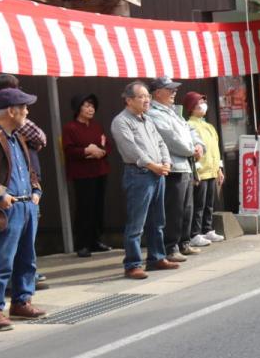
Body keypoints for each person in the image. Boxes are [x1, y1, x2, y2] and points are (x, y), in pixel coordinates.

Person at [110, 81, 177, 280]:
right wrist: (152, 165)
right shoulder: (121, 121)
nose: (147, 99)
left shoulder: (147, 119)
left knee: (158, 220)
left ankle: (157, 257)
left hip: (158, 173)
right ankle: (132, 264)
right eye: (142, 96)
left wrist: (165, 162)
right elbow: (131, 149)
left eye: (148, 96)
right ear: (128, 100)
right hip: (139, 174)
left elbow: (160, 142)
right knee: (136, 223)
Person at [0, 87, 46, 325]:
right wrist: (1, 195)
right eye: (24, 107)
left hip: (27, 203)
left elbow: (29, 169)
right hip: (8, 206)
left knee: (27, 257)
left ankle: (21, 301)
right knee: (3, 259)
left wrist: (36, 189)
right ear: (11, 110)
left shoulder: (17, 137)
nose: (27, 111)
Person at [146, 77, 203, 261]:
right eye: (169, 89)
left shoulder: (173, 111)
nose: (174, 92)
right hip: (173, 166)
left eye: (174, 89)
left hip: (185, 164)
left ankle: (183, 242)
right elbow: (169, 138)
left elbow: (190, 130)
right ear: (157, 93)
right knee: (174, 209)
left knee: (186, 207)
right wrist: (191, 150)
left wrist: (199, 145)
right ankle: (171, 247)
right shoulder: (154, 113)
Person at [62, 93, 112, 258]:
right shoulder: (70, 128)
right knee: (85, 208)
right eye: (87, 105)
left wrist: (101, 152)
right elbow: (69, 150)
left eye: (92, 106)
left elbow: (107, 145)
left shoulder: (97, 126)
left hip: (100, 170)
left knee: (98, 206)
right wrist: (86, 151)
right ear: (78, 108)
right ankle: (82, 244)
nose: (91, 109)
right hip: (82, 173)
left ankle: (95, 240)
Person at [183, 92, 224, 247]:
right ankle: (195, 233)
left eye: (203, 102)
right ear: (192, 107)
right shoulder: (190, 125)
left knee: (209, 203)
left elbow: (215, 149)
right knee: (198, 204)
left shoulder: (209, 126)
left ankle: (207, 229)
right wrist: (196, 171)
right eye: (199, 103)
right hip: (201, 172)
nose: (203, 105)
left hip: (212, 171)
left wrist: (219, 168)